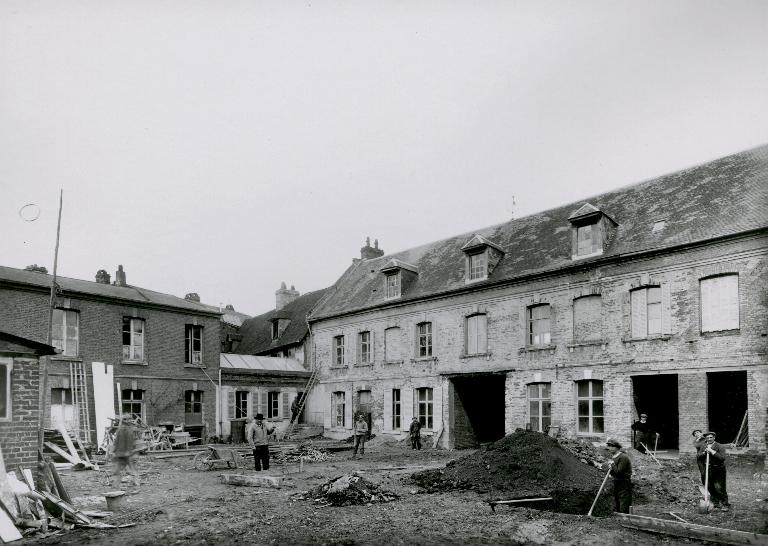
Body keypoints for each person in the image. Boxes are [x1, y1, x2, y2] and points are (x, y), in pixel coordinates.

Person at [698, 431, 729, 510]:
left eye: (711, 437)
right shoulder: (703, 446)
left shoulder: (719, 446)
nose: (709, 439)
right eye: (707, 437)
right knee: (710, 486)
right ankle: (715, 502)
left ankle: (725, 504)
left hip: (718, 469)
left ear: (714, 438)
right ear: (706, 438)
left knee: (719, 487)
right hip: (707, 469)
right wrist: (704, 452)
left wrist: (712, 451)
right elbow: (698, 456)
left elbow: (722, 458)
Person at [109, 417, 140, 491]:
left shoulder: (121, 430)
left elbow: (116, 442)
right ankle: (135, 487)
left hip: (123, 454)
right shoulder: (128, 430)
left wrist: (114, 452)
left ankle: (116, 488)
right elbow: (128, 443)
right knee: (132, 471)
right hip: (126, 454)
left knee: (120, 471)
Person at [606, 438, 632, 514]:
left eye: (611, 446)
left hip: (624, 483)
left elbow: (619, 472)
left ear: (616, 447)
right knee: (617, 502)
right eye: (608, 446)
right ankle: (618, 520)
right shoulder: (614, 457)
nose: (609, 448)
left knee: (624, 503)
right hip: (616, 482)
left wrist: (612, 464)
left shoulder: (623, 457)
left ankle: (625, 519)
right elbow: (614, 471)